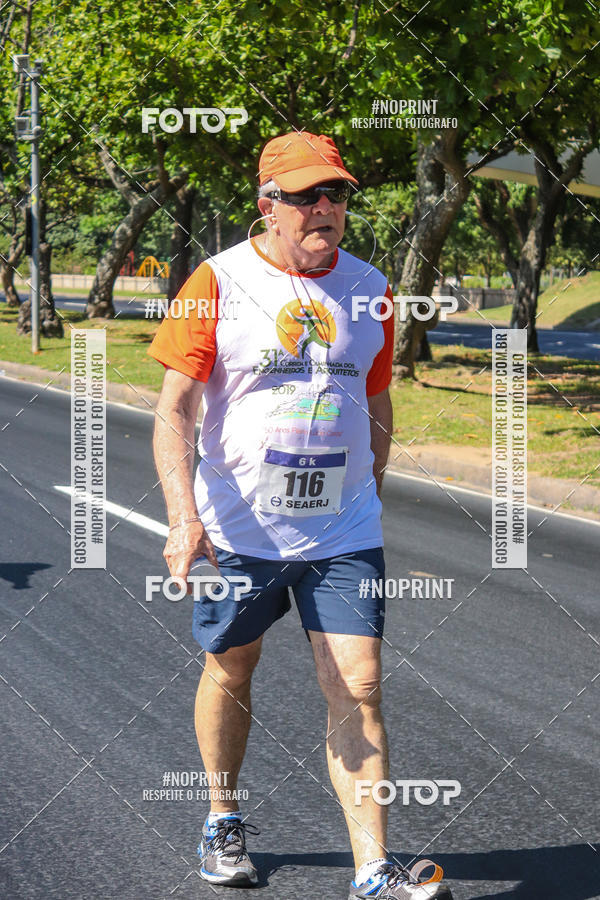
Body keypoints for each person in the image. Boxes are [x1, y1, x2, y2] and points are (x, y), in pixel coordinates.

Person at [149, 131, 453, 900]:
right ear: (267, 204)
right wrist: (185, 518)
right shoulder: (214, 282)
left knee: (359, 683)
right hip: (240, 530)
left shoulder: (371, 286)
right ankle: (222, 815)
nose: (325, 208)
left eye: (337, 194)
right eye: (306, 195)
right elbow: (174, 410)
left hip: (343, 530)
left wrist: (372, 488)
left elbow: (377, 399)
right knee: (231, 666)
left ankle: (373, 871)